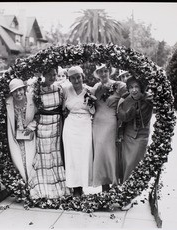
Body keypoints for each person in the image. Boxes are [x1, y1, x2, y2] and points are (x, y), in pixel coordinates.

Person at [28, 68, 69, 199]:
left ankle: (60, 185)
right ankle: (43, 185)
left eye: (54, 75)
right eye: (50, 74)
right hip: (43, 125)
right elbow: (33, 109)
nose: (52, 77)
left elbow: (63, 107)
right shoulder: (36, 91)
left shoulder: (59, 89)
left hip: (56, 126)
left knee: (56, 154)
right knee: (44, 155)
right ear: (43, 74)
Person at [91, 64, 127, 192]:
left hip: (111, 122)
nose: (103, 74)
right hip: (97, 123)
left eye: (105, 71)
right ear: (97, 73)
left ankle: (115, 183)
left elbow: (130, 96)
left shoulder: (118, 85)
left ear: (109, 72)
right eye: (100, 72)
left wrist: (121, 105)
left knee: (111, 152)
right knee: (100, 153)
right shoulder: (96, 87)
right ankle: (104, 186)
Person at [62, 66, 95, 196]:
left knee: (84, 155)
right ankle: (75, 188)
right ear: (69, 79)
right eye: (73, 78)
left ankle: (84, 184)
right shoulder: (65, 90)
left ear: (83, 77)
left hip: (85, 125)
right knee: (72, 156)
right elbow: (63, 107)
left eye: (78, 77)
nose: (76, 80)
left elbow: (93, 110)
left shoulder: (90, 90)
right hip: (71, 125)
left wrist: (91, 103)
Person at [117, 76, 153, 183]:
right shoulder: (125, 101)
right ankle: (126, 187)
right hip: (128, 137)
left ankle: (131, 188)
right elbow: (121, 118)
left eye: (136, 87)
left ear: (141, 88)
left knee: (135, 163)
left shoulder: (148, 99)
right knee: (127, 163)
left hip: (142, 135)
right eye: (131, 87)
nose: (134, 90)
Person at [6, 78, 37, 183]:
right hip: (16, 136)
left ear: (24, 89)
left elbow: (39, 114)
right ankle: (23, 185)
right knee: (19, 161)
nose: (18, 93)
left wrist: (31, 126)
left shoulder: (32, 99)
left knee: (31, 160)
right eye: (14, 91)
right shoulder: (8, 102)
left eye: (20, 89)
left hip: (30, 134)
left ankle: (33, 183)